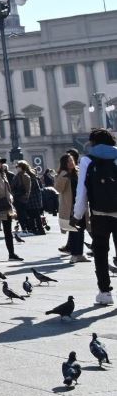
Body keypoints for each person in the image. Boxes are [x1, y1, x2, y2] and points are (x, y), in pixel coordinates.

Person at [73, 128, 117, 305]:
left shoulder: (87, 160)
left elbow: (81, 191)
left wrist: (77, 214)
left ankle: (105, 292)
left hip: (99, 214)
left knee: (100, 253)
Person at [57, 153, 84, 262]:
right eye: (68, 161)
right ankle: (74, 255)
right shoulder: (62, 174)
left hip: (80, 204)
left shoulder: (78, 172)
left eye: (72, 160)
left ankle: (80, 254)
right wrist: (64, 176)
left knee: (81, 229)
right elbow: (58, 189)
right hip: (70, 206)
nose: (71, 163)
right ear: (64, 163)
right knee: (73, 230)